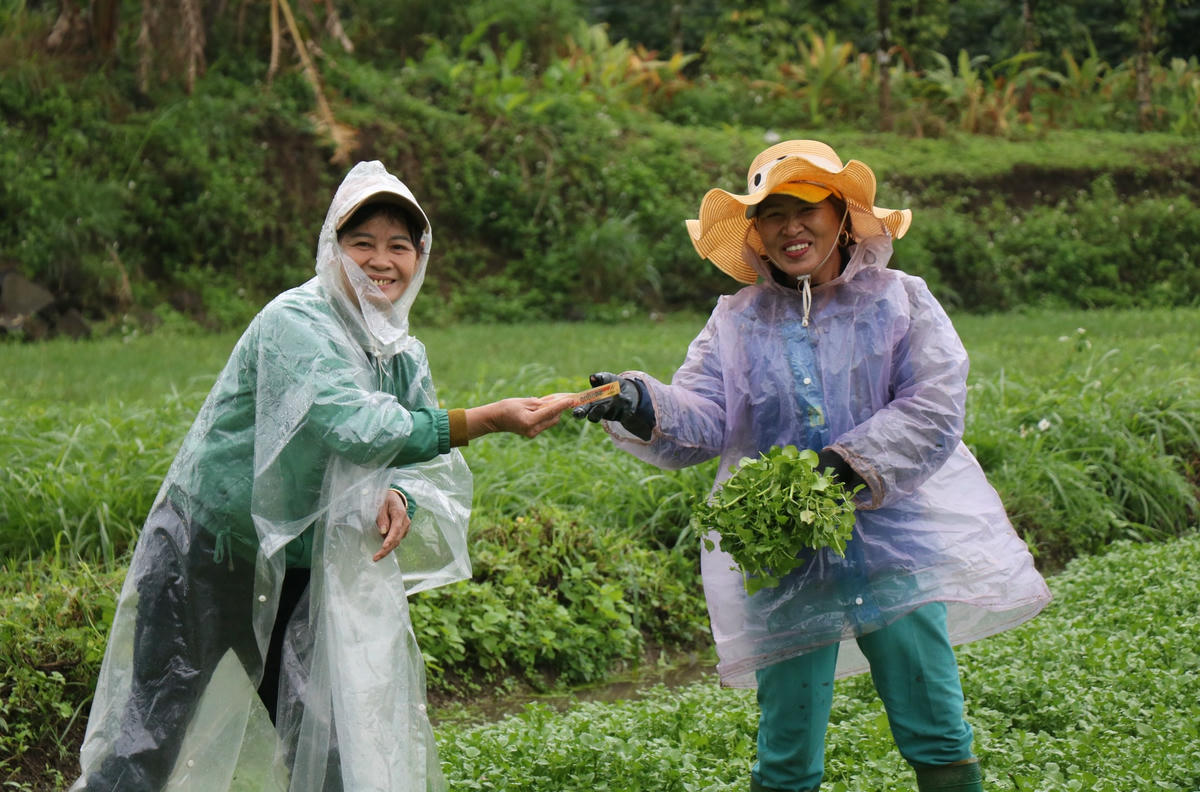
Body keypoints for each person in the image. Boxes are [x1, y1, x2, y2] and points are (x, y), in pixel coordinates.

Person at [72, 160, 576, 792]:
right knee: (153, 733)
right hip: (209, 550)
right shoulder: (296, 322)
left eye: (399, 245)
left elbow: (420, 455)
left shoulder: (401, 352)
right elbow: (357, 426)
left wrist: (399, 494)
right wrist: (487, 419)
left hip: (302, 566)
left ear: (420, 258)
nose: (380, 260)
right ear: (331, 251)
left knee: (327, 744)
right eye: (360, 243)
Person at [575, 139, 1051, 792]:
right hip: (784, 556)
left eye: (805, 209)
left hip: (893, 548)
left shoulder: (900, 301)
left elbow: (935, 406)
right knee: (786, 757)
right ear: (756, 233)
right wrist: (639, 402)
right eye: (772, 214)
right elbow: (705, 419)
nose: (791, 227)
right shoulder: (735, 322)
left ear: (840, 213)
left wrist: (843, 470)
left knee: (936, 730)